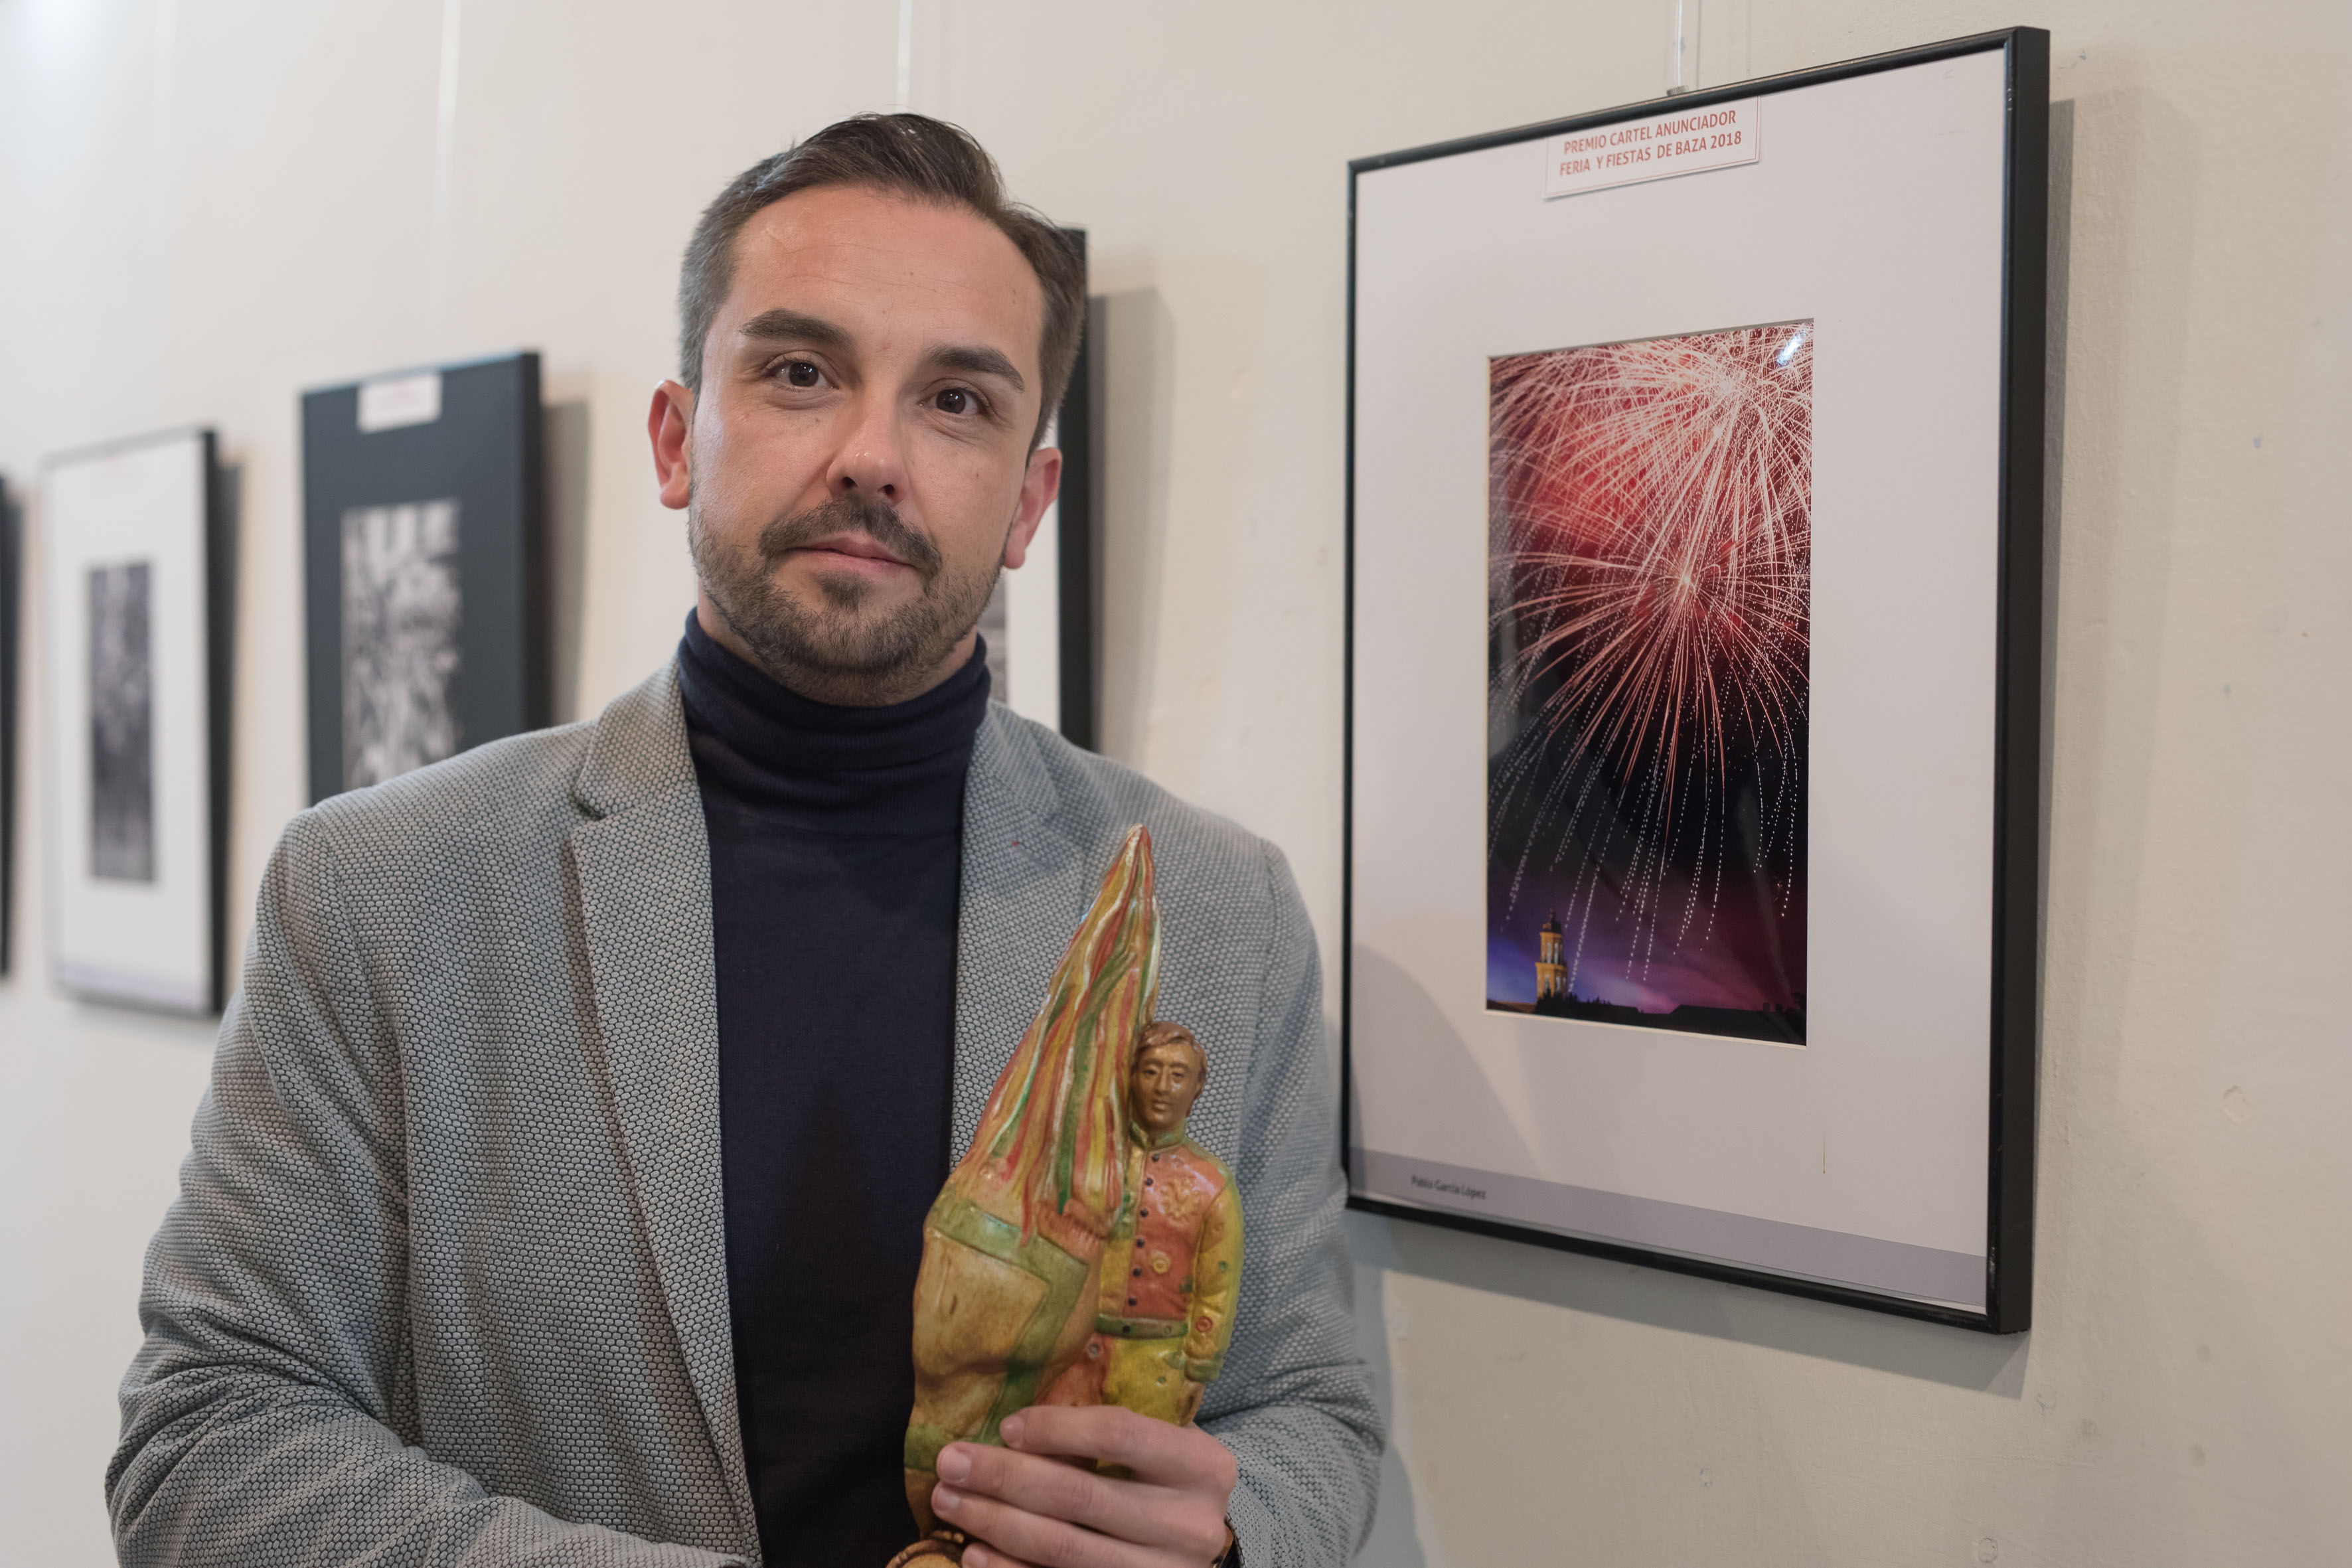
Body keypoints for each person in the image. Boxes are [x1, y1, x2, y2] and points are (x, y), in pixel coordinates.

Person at [108, 114, 1379, 1568]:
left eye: (956, 400)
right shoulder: (382, 891)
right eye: (799, 374)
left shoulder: (1220, 907)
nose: (872, 456)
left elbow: (1310, 1414)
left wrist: (1225, 1541)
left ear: (1027, 501)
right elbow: (208, 1439)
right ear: (676, 439)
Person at [1045, 1022, 1241, 1429]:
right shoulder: (1089, 1164)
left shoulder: (1213, 1186)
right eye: (1150, 1071)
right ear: (1131, 1078)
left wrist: (1199, 1369)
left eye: (1178, 1075)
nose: (1162, 1087)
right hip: (1071, 1356)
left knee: (1134, 1461)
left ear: (1196, 1089)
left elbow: (1216, 1288)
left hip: (1157, 1367)